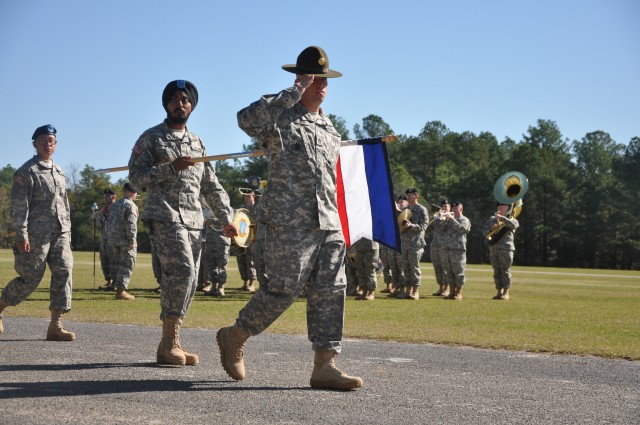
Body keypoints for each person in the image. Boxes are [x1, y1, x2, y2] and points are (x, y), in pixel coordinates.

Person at [216, 46, 363, 390]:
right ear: (300, 78)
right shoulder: (280, 115)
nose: (319, 85)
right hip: (287, 221)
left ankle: (325, 365)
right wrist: (292, 92)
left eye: (323, 79)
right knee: (282, 290)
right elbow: (245, 120)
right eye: (312, 78)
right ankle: (234, 336)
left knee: (332, 289)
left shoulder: (329, 127)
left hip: (327, 221)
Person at [127, 80, 237, 366]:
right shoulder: (151, 138)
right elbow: (135, 178)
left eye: (185, 100)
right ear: (166, 104)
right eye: (174, 99)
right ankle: (169, 342)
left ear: (192, 105)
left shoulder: (198, 143)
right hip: (164, 215)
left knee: (190, 279)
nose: (180, 104)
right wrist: (170, 168)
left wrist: (226, 219)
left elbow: (211, 185)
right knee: (183, 270)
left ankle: (171, 341)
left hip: (194, 220)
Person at [0, 125, 75, 340]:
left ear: (56, 144)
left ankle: (56, 324)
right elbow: (19, 205)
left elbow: (65, 204)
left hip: (60, 232)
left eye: (51, 140)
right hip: (35, 235)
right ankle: (0, 305)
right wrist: (21, 234)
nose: (48, 144)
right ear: (35, 144)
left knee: (64, 271)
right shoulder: (27, 172)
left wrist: (68, 231)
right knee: (30, 278)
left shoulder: (59, 171)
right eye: (43, 140)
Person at [107, 182, 139, 301]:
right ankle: (121, 292)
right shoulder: (131, 205)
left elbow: (108, 222)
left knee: (116, 265)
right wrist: (132, 240)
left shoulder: (114, 205)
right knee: (127, 265)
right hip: (125, 240)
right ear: (132, 193)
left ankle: (117, 288)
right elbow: (131, 224)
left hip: (113, 240)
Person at [396, 188, 429, 300]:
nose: (409, 197)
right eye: (408, 195)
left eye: (411, 195)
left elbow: (424, 226)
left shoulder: (422, 210)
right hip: (404, 243)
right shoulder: (405, 210)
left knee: (414, 267)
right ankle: (407, 291)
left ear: (416, 196)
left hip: (416, 243)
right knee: (405, 267)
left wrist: (411, 226)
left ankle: (415, 291)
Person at [482, 202, 519, 300]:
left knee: (505, 271)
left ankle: (506, 292)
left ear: (507, 208)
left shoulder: (511, 219)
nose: (500, 208)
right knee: (496, 271)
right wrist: (491, 230)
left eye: (502, 207)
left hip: (506, 249)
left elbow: (513, 226)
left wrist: (501, 218)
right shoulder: (491, 220)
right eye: (498, 206)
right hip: (494, 248)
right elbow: (484, 231)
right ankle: (499, 291)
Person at [201, 199, 231, 297]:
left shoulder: (227, 209)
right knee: (210, 265)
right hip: (209, 240)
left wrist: (212, 220)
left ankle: (221, 287)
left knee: (222, 265)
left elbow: (229, 221)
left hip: (223, 240)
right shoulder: (207, 210)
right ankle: (213, 287)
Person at [442, 201, 471, 300]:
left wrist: (452, 219)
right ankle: (451, 291)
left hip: (458, 249)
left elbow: (462, 229)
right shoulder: (448, 220)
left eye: (455, 209)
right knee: (448, 272)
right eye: (452, 209)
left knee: (458, 271)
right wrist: (444, 220)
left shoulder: (464, 219)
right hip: (446, 248)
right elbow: (440, 230)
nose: (453, 211)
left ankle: (458, 293)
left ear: (461, 209)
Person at [428, 200, 452, 297]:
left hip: (445, 246)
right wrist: (435, 215)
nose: (445, 208)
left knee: (445, 268)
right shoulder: (437, 218)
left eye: (446, 206)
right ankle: (441, 287)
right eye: (443, 206)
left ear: (450, 207)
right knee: (437, 268)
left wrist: (445, 218)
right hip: (435, 245)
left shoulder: (451, 218)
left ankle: (446, 289)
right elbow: (428, 224)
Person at [236, 190, 257, 293]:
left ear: (253, 197)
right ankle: (244, 282)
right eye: (245, 196)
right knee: (241, 260)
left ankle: (251, 283)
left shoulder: (256, 209)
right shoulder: (242, 209)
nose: (246, 198)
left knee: (250, 261)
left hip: (252, 238)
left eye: (249, 196)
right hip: (241, 238)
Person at [97, 188, 116, 290]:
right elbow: (99, 225)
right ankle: (108, 280)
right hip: (104, 238)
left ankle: (115, 282)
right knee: (104, 260)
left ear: (113, 196)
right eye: (104, 196)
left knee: (113, 260)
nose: (105, 198)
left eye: (107, 196)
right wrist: (96, 216)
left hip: (114, 238)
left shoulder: (117, 208)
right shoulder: (103, 209)